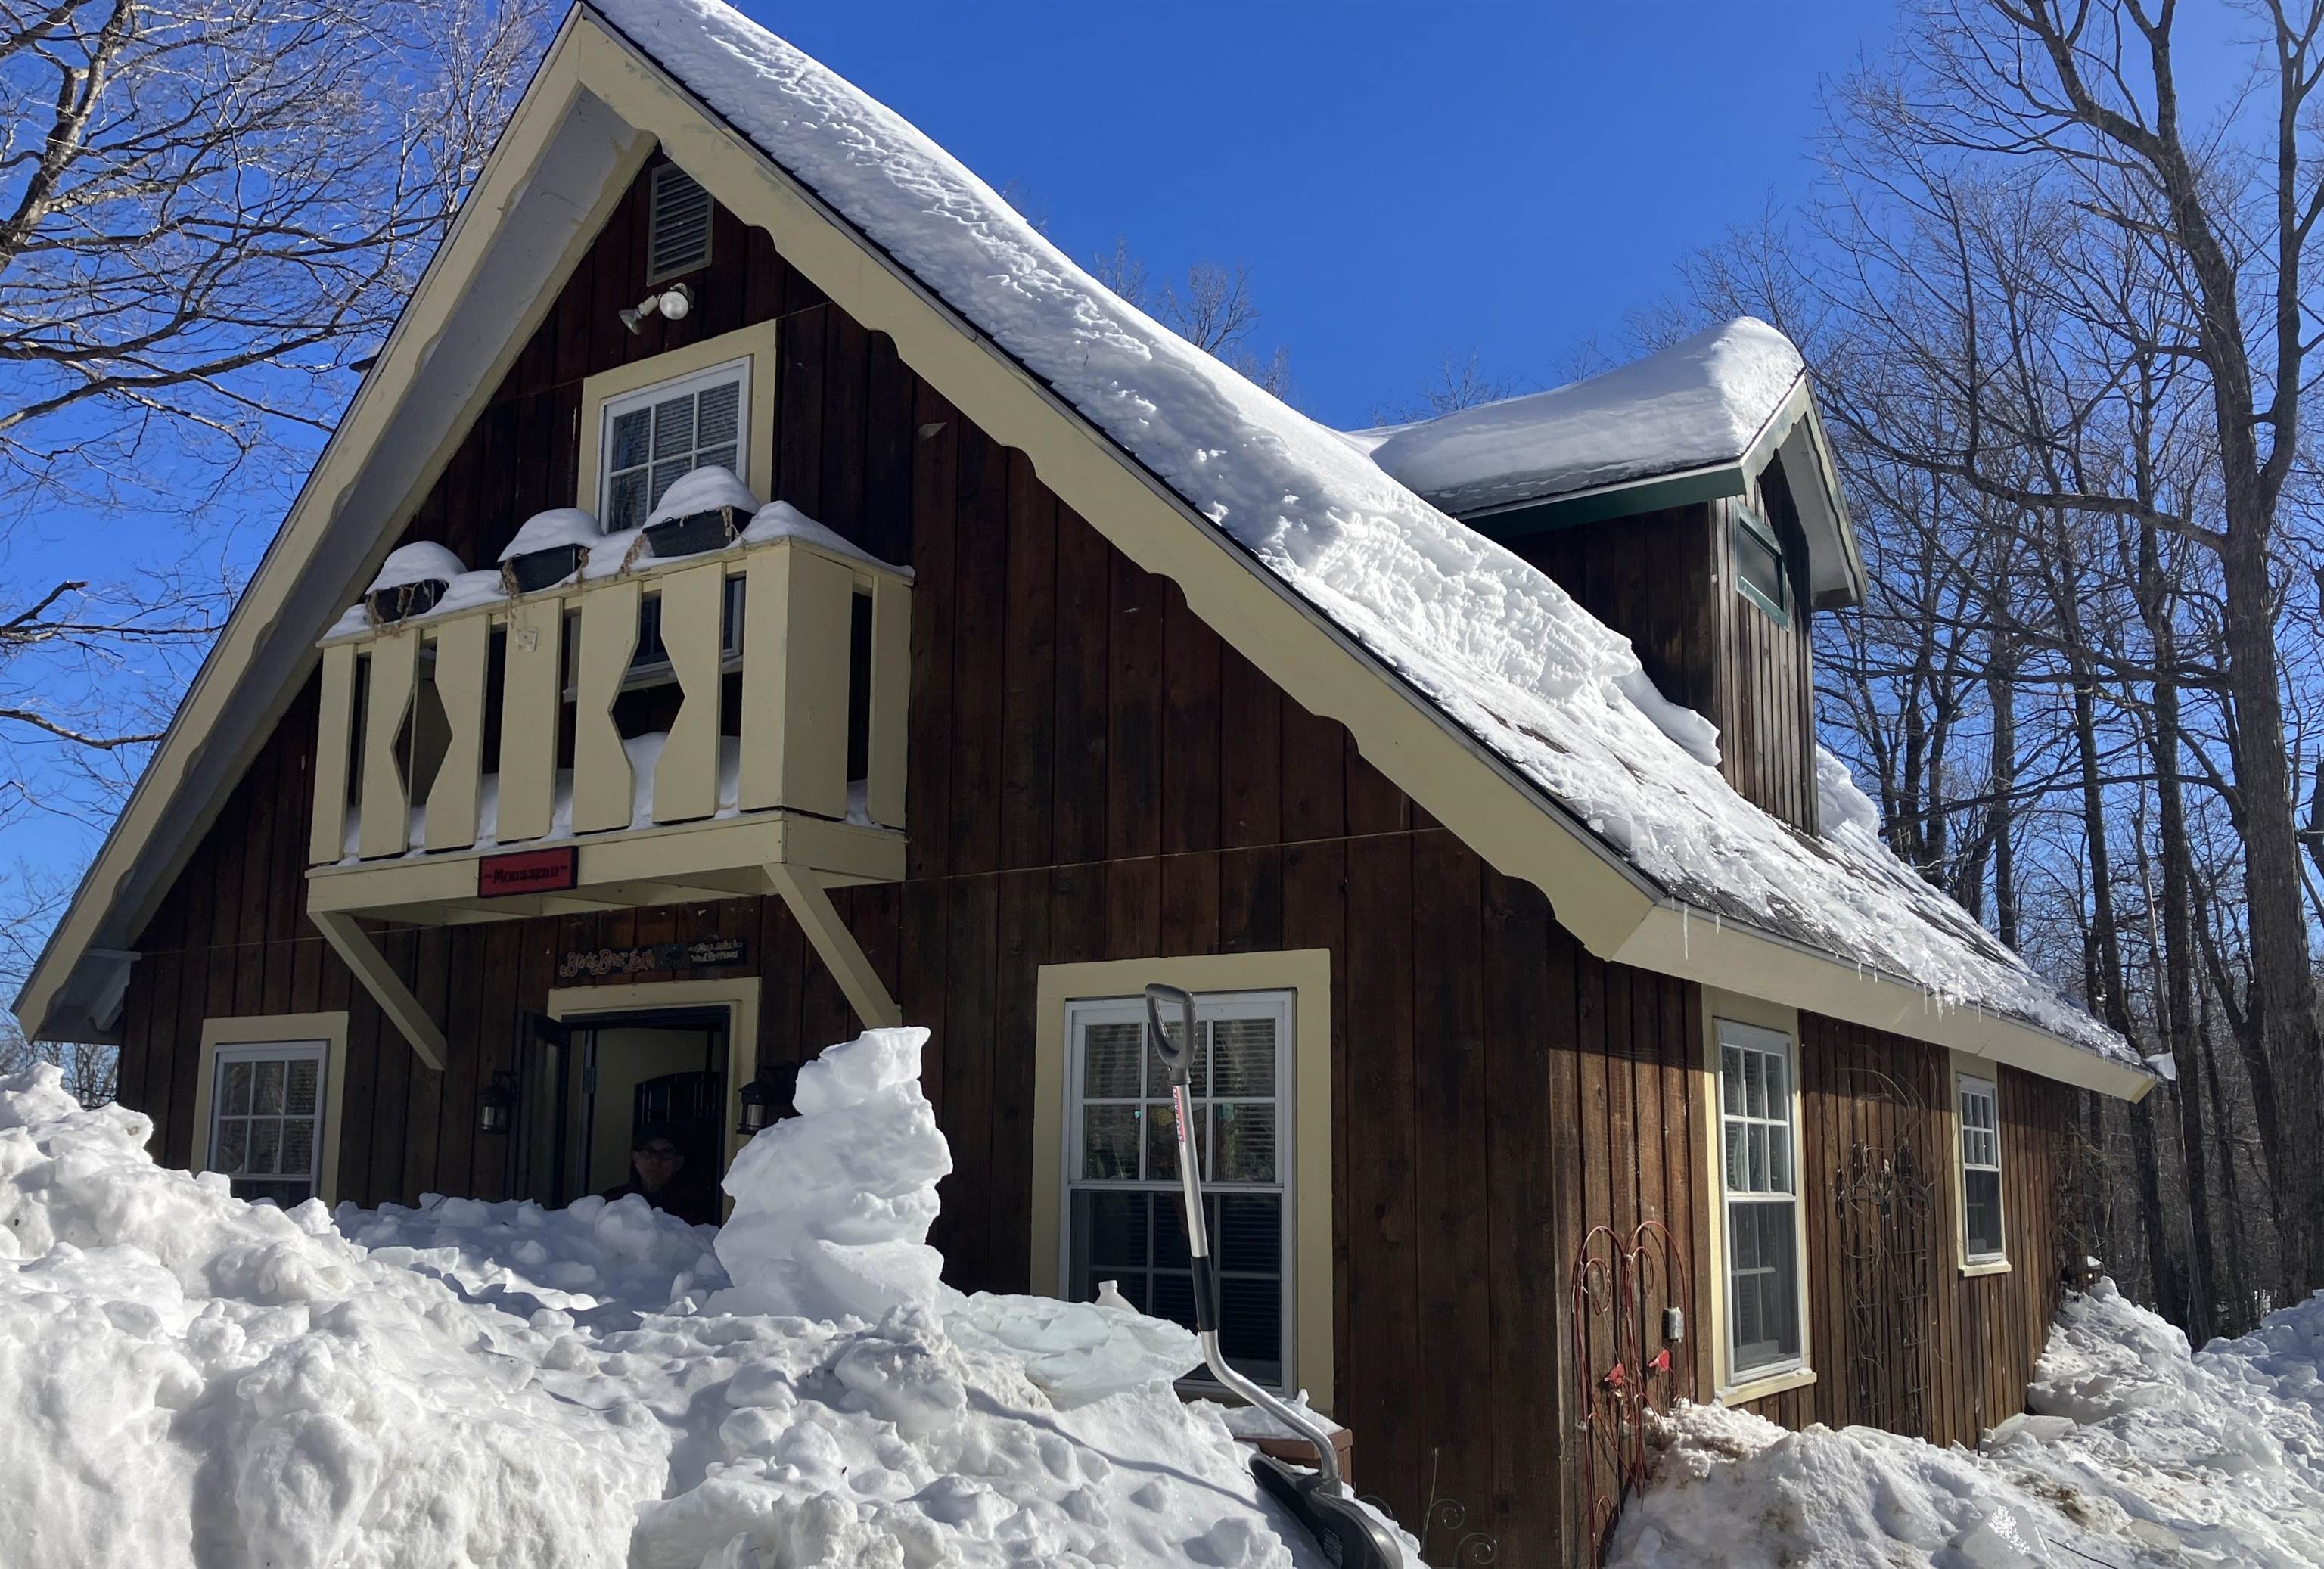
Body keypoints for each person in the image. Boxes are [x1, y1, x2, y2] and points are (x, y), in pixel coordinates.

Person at [601, 1123, 718, 1226]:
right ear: (636, 1158)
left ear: (678, 1163)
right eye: (648, 1153)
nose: (656, 1161)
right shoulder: (612, 1201)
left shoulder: (693, 1210)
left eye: (666, 1154)